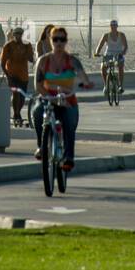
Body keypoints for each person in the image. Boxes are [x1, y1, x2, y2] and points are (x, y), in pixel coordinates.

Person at [33, 27, 92, 172]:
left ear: (66, 41)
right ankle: (41, 146)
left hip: (67, 99)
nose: (59, 43)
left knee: (69, 123)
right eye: (55, 39)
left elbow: (82, 74)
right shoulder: (43, 61)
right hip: (48, 98)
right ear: (50, 41)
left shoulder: (72, 61)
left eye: (62, 39)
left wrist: (85, 82)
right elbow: (37, 85)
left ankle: (68, 157)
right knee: (37, 112)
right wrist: (51, 98)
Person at [1, 25, 34, 126]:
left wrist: (28, 53)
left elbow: (31, 59)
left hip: (23, 76)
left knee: (22, 97)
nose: (18, 36)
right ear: (13, 35)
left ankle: (17, 112)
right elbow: (2, 62)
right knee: (16, 95)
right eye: (16, 34)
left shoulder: (27, 45)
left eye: (20, 34)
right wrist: (7, 75)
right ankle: (16, 114)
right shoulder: (8, 46)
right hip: (12, 75)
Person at [95, 19, 128, 93]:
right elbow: (100, 46)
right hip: (108, 54)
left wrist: (122, 53)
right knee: (103, 68)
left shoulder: (121, 35)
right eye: (112, 26)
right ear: (110, 26)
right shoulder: (106, 35)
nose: (113, 27)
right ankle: (106, 85)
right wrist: (97, 52)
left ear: (117, 26)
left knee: (120, 67)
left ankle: (120, 85)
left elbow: (125, 46)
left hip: (118, 54)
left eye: (115, 26)